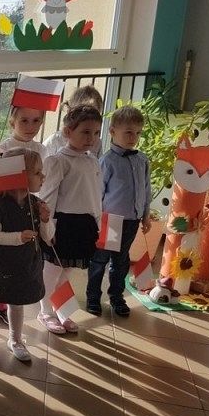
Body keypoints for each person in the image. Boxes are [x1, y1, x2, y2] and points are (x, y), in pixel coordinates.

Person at [0, 148, 53, 363]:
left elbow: (47, 237)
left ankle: (15, 340)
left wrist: (46, 220)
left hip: (25, 264)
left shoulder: (36, 204)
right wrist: (19, 237)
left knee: (17, 303)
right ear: (19, 175)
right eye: (37, 172)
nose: (43, 176)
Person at [37, 105, 104, 334]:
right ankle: (45, 312)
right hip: (62, 225)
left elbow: (95, 196)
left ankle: (62, 311)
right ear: (68, 132)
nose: (91, 138)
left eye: (96, 133)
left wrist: (98, 223)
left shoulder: (93, 161)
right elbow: (47, 198)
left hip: (84, 225)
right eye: (85, 132)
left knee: (67, 272)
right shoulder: (57, 161)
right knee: (51, 272)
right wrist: (48, 228)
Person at [86, 106, 152, 317]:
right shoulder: (107, 161)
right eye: (128, 132)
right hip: (110, 220)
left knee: (121, 261)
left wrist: (146, 215)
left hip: (132, 220)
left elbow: (146, 189)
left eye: (138, 133)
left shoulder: (142, 160)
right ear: (113, 131)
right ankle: (93, 297)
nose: (134, 138)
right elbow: (98, 193)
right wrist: (97, 220)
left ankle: (117, 296)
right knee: (100, 260)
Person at [43, 85, 104, 157]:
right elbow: (43, 160)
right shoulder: (56, 140)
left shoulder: (96, 143)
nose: (90, 120)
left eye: (95, 115)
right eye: (84, 115)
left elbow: (98, 162)